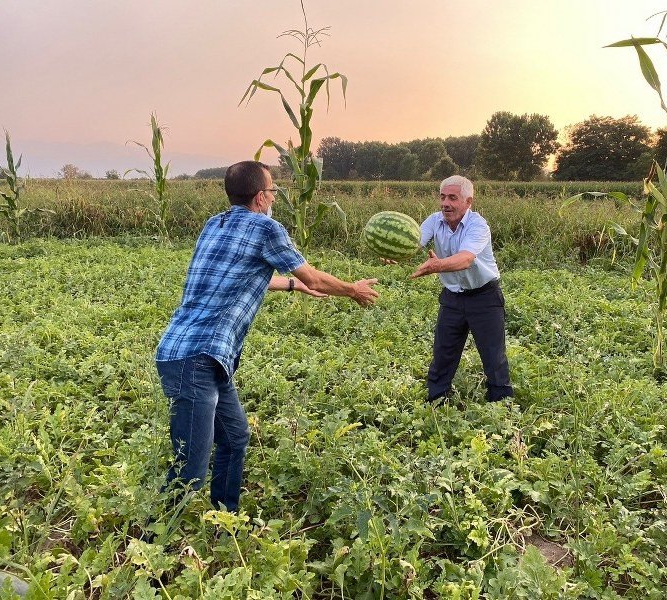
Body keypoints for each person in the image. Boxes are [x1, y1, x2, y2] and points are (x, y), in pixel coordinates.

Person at [155, 160, 379, 512]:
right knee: (190, 472)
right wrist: (352, 289)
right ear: (261, 197)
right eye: (273, 189)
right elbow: (314, 277)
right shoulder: (266, 228)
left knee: (235, 437)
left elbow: (244, 275)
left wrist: (293, 286)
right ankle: (152, 548)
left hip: (200, 355)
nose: (274, 196)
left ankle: (225, 518)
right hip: (196, 359)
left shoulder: (215, 224)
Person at [410, 175, 514, 403]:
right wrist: (395, 252)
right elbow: (413, 241)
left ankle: (502, 406)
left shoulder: (478, 225)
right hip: (452, 299)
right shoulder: (434, 221)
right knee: (443, 354)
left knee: (493, 356)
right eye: (443, 197)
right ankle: (436, 402)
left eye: (453, 198)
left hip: (484, 297)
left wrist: (436, 266)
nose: (445, 203)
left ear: (468, 202)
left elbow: (465, 259)